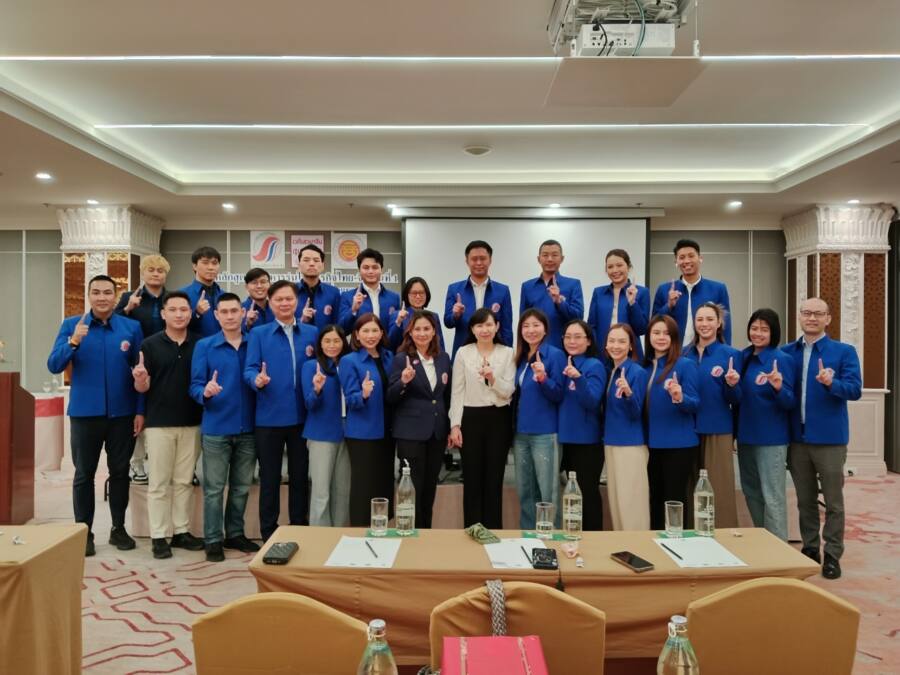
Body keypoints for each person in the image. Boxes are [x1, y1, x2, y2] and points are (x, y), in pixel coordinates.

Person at [47, 274, 144, 557]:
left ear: (116, 296)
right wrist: (73, 342)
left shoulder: (131, 327)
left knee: (120, 473)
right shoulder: (71, 325)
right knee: (84, 474)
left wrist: (140, 410)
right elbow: (54, 364)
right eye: (96, 292)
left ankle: (118, 528)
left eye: (107, 292)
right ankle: (84, 532)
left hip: (122, 414)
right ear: (89, 296)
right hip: (85, 414)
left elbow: (141, 370)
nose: (102, 297)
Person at [782, 298, 861, 579]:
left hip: (830, 440)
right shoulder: (787, 352)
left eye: (818, 313)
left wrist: (831, 383)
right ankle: (811, 548)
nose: (812, 318)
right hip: (797, 438)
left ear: (828, 318)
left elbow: (854, 390)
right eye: (807, 312)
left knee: (833, 501)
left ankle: (833, 555)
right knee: (805, 500)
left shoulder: (844, 352)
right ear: (799, 317)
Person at [243, 280, 318, 541]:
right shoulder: (259, 334)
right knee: (270, 478)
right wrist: (256, 380)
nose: (285, 303)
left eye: (289, 299)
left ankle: (299, 526)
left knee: (300, 477)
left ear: (297, 301)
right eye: (279, 299)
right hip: (269, 418)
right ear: (270, 303)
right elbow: (249, 369)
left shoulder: (311, 332)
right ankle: (269, 532)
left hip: (303, 417)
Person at [133, 291, 205, 559]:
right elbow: (142, 387)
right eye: (172, 309)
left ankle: (181, 531)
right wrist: (140, 379)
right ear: (163, 314)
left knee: (184, 481)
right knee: (159, 483)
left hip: (192, 422)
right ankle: (159, 535)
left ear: (191, 313)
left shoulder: (200, 343)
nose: (178, 314)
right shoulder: (149, 345)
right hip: (159, 424)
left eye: (183, 309)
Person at [190, 292, 260, 562]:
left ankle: (235, 533)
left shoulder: (255, 343)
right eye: (225, 312)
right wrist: (205, 392)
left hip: (249, 428)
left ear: (243, 313)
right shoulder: (205, 346)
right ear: (216, 315)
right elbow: (195, 386)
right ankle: (213, 539)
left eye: (234, 311)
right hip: (216, 428)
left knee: (241, 487)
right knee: (214, 489)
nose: (230, 316)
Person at [448, 308, 516, 529]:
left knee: (494, 479)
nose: (484, 330)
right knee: (472, 478)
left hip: (498, 419)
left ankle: (494, 531)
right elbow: (457, 391)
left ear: (497, 327)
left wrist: (492, 378)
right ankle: (473, 530)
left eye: (489, 324)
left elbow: (509, 391)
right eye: (479, 325)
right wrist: (455, 425)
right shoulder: (463, 352)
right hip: (471, 418)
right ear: (472, 329)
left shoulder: (507, 353)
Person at [387, 311, 452, 529]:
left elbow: (446, 396)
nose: (422, 333)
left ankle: (426, 534)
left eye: (426, 329)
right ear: (410, 332)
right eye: (417, 329)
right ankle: (409, 533)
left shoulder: (443, 358)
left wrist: (450, 427)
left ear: (434, 332)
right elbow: (390, 396)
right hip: (410, 433)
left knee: (429, 488)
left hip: (436, 432)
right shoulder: (401, 359)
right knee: (411, 487)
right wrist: (403, 382)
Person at [736, 309, 795, 541]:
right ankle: (764, 542)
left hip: (771, 439)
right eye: (754, 328)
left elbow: (789, 402)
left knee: (773, 497)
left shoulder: (781, 360)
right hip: (746, 437)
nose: (757, 333)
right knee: (751, 492)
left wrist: (779, 387)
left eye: (764, 329)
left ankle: (778, 548)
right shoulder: (743, 357)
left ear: (774, 332)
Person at [683, 302, 742, 528]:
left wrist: (732, 385)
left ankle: (723, 535)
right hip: (686, 430)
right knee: (688, 486)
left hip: (718, 429)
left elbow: (736, 399)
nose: (704, 324)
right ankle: (691, 534)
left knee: (718, 487)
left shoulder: (731, 355)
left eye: (710, 319)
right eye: (700, 319)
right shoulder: (683, 353)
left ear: (719, 324)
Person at [115, 254, 170, 485]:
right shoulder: (130, 297)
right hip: (138, 362)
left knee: (164, 410)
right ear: (142, 273)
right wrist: (127, 308)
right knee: (138, 412)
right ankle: (137, 464)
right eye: (151, 270)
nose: (156, 274)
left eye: (160, 270)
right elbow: (114, 323)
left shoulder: (172, 298)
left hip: (166, 361)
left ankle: (166, 464)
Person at [644, 315, 700, 531]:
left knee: (674, 499)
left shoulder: (685, 365)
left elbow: (695, 403)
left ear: (674, 338)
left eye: (666, 333)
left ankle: (677, 542)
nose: (661, 337)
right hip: (651, 445)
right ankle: (656, 542)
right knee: (655, 498)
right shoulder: (646, 367)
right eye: (656, 332)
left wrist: (679, 396)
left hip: (679, 444)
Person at [339, 314, 395, 526]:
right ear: (356, 335)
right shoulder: (349, 361)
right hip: (363, 432)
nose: (371, 335)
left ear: (382, 333)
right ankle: (360, 529)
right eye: (365, 331)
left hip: (388, 430)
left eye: (375, 330)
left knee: (384, 482)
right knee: (363, 485)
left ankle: (381, 527)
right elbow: (350, 399)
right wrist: (362, 394)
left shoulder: (389, 357)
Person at [512, 309, 566, 529]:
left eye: (536, 325)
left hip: (545, 432)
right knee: (525, 491)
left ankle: (552, 538)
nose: (531, 330)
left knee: (548, 492)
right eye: (526, 326)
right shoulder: (521, 357)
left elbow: (559, 394)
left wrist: (543, 378)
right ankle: (528, 536)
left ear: (545, 329)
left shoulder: (554, 355)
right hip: (521, 433)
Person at [557, 319, 607, 531]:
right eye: (568, 337)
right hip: (565, 439)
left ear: (588, 341)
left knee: (587, 494)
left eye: (578, 337)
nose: (572, 341)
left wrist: (579, 379)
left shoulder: (594, 365)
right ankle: (574, 535)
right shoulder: (563, 363)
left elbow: (593, 401)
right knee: (572, 496)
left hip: (587, 442)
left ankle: (594, 538)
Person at [301, 325, 352, 527]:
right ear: (320, 344)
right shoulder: (311, 366)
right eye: (327, 341)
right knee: (321, 492)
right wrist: (317, 390)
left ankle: (338, 534)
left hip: (348, 433)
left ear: (343, 343)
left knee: (343, 491)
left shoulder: (349, 364)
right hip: (321, 434)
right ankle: (319, 536)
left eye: (336, 341)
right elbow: (309, 404)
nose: (332, 345)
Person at [602, 323, 650, 530]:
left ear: (631, 345)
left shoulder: (636, 372)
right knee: (617, 502)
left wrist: (629, 393)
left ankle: (637, 544)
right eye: (612, 341)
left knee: (632, 504)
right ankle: (623, 544)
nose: (616, 345)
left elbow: (636, 412)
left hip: (630, 444)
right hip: (612, 442)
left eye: (622, 341)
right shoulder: (612, 371)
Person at [652, 239, 732, 345]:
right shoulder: (664, 290)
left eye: (691, 256)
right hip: (673, 351)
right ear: (676, 262)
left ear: (700, 258)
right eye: (682, 257)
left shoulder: (718, 289)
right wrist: (669, 306)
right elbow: (653, 325)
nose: (686, 261)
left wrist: (725, 351)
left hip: (706, 350)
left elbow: (725, 327)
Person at [443, 240, 513, 357]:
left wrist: (507, 355)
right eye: (474, 259)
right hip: (464, 352)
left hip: (494, 352)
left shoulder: (503, 290)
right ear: (467, 261)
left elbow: (506, 328)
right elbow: (448, 322)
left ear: (490, 260)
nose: (479, 262)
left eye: (483, 258)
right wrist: (456, 315)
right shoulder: (454, 289)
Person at [519, 240, 584, 347]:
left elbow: (578, 318)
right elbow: (523, 322)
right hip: (535, 347)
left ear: (562, 258)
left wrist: (559, 302)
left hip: (564, 347)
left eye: (554, 255)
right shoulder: (527, 286)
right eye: (545, 255)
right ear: (538, 259)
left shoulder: (573, 284)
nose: (550, 259)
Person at [588, 248, 651, 360]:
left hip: (631, 355)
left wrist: (632, 303)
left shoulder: (642, 292)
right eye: (610, 267)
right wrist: (595, 350)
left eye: (619, 265)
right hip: (602, 354)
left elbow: (641, 329)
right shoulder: (598, 292)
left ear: (629, 267)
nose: (615, 270)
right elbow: (592, 326)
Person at [339, 248, 401, 332]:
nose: (370, 271)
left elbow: (396, 330)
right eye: (366, 268)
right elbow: (342, 330)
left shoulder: (394, 298)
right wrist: (353, 310)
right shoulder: (348, 296)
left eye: (375, 267)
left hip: (386, 341)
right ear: (359, 270)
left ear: (381, 270)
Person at [387, 277, 444, 351]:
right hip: (404, 356)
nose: (418, 296)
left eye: (421, 293)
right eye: (414, 293)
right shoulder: (397, 315)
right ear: (407, 295)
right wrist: (398, 322)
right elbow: (390, 344)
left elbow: (439, 344)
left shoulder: (433, 316)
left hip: (429, 356)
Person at [295, 243, 342, 332]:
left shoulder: (333, 292)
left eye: (316, 260)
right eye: (306, 260)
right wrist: (301, 320)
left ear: (323, 265)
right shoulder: (290, 291)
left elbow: (338, 325)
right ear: (299, 265)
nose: (311, 264)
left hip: (325, 340)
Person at [181, 246, 224, 338]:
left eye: (214, 263)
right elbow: (176, 327)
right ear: (195, 266)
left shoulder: (224, 295)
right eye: (205, 263)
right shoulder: (182, 295)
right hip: (195, 346)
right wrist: (197, 313)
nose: (211, 267)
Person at [242, 267, 274, 332]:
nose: (259, 286)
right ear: (246, 287)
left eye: (263, 282)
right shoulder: (239, 310)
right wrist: (247, 325)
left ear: (270, 285)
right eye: (254, 282)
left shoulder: (277, 309)